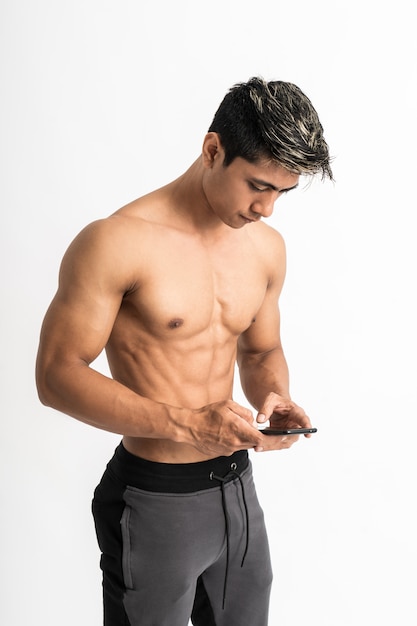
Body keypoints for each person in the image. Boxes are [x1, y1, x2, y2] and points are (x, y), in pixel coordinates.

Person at [36, 76, 333, 626]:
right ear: (213, 149)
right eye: (257, 185)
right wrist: (187, 424)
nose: (267, 208)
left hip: (239, 491)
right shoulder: (116, 241)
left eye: (281, 193)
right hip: (155, 498)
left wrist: (276, 395)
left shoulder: (266, 249)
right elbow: (56, 376)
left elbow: (261, 348)